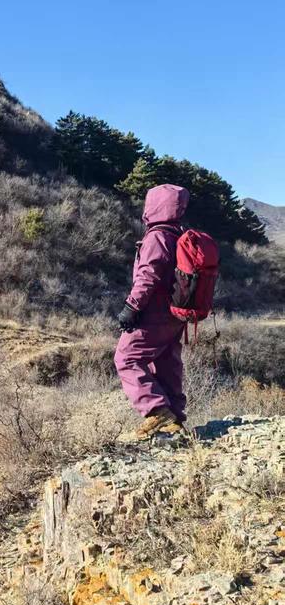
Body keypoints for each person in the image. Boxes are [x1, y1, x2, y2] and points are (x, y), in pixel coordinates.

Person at [114, 184, 190, 441]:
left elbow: (148, 276)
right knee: (167, 361)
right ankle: (175, 418)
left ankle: (157, 411)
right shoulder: (180, 235)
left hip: (154, 314)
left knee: (126, 358)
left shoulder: (157, 236)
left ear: (154, 206)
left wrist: (131, 307)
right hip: (175, 314)